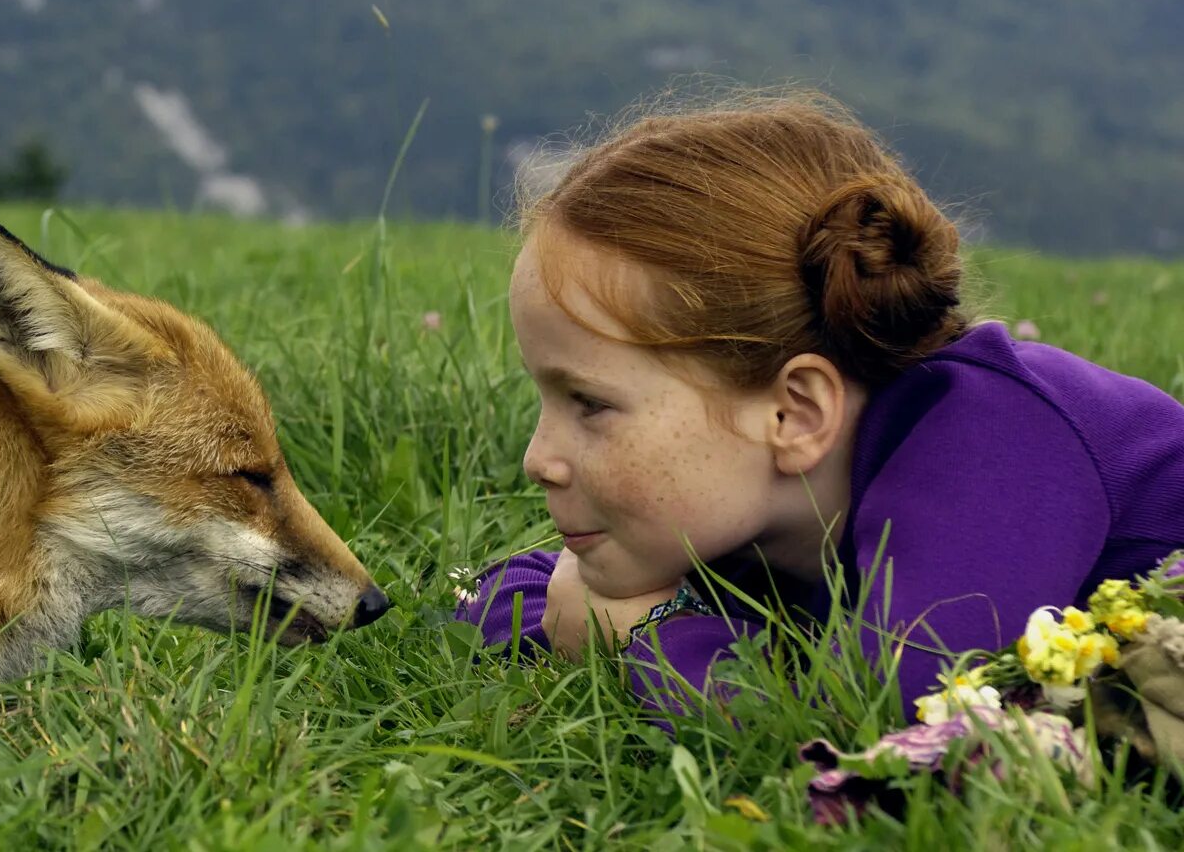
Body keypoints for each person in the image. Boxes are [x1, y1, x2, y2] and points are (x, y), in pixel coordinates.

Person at [454, 90, 1184, 717]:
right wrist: (605, 615)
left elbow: (882, 711)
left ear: (794, 414)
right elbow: (512, 594)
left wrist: (644, 640)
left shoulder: (994, 445)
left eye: (590, 404)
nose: (538, 459)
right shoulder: (755, 506)